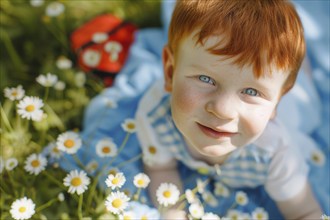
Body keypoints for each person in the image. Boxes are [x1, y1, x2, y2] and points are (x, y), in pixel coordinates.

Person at [135, 0, 323, 218]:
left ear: (278, 101)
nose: (223, 110)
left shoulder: (276, 152)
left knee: (303, 80)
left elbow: (305, 212)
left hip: (299, 108)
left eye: (252, 92)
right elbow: (161, 169)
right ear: (169, 72)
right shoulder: (154, 116)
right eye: (206, 79)